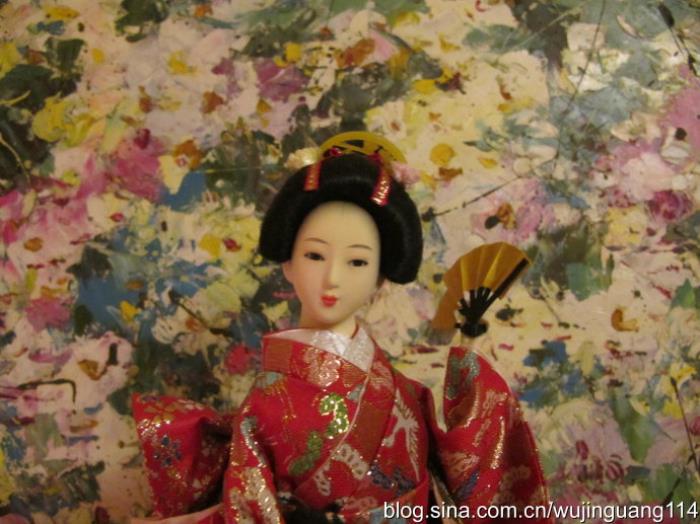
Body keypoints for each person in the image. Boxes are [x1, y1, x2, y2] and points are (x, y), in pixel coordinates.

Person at [132, 136, 551, 523]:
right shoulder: (263, 407)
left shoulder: (403, 392)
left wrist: (468, 348)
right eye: (315, 256)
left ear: (380, 278)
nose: (333, 278)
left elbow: (461, 460)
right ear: (288, 263)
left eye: (357, 262)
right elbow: (250, 509)